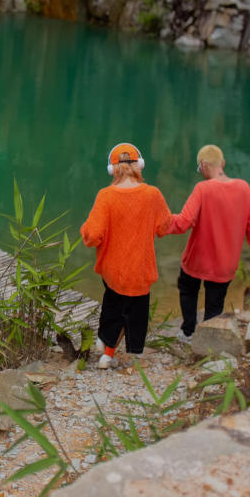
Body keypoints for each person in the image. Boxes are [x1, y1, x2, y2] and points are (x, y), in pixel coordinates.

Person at [81, 143, 172, 369]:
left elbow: (93, 236)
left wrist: (85, 230)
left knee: (114, 306)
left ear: (112, 169)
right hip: (140, 270)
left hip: (114, 271)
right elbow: (164, 226)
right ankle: (120, 351)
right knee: (134, 311)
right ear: (138, 165)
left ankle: (106, 348)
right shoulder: (153, 194)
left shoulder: (105, 196)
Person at [168, 145, 250, 342]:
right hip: (225, 263)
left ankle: (188, 332)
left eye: (199, 169)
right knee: (215, 304)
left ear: (204, 165)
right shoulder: (243, 188)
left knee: (187, 289)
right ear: (222, 163)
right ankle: (209, 342)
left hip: (197, 260)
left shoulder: (203, 189)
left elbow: (183, 222)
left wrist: (159, 222)